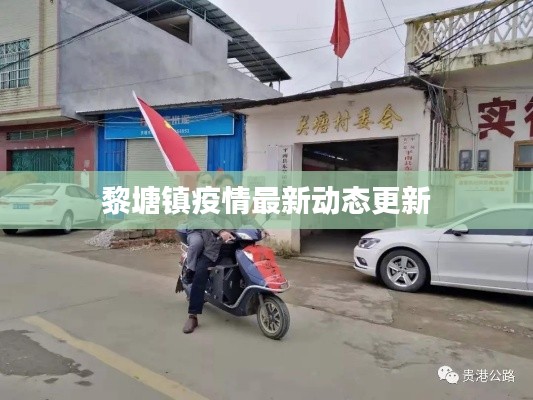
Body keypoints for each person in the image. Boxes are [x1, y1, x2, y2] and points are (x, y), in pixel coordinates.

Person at [183, 172, 214, 284]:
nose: (206, 185)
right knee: (197, 243)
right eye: (203, 182)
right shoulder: (191, 199)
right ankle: (190, 270)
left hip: (212, 231)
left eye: (208, 183)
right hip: (196, 231)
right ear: (197, 183)